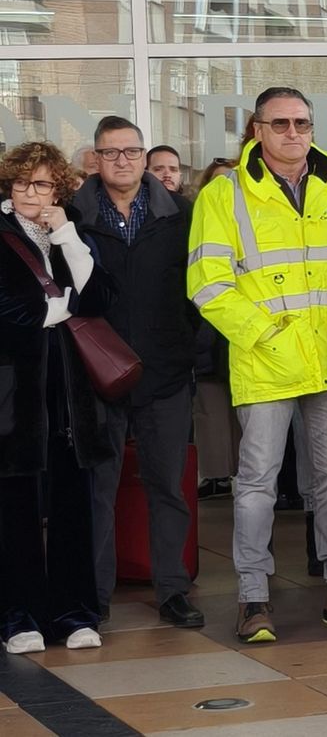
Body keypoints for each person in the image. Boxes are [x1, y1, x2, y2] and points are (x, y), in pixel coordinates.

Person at [188, 86, 327, 643]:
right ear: (257, 130)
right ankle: (253, 597)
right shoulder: (223, 194)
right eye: (279, 123)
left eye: (302, 122)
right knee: (254, 483)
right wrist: (267, 337)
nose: (293, 133)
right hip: (266, 361)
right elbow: (208, 285)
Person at [76, 117, 204, 628]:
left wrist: (190, 347)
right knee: (98, 488)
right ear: (96, 159)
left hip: (166, 373)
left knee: (167, 486)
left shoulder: (181, 214)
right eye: (111, 153)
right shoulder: (73, 216)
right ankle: (94, 595)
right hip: (96, 377)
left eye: (131, 151)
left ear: (145, 156)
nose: (122, 161)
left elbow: (201, 287)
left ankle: (173, 588)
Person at [0, 142, 117, 654]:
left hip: (69, 392)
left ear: (59, 190)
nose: (31, 193)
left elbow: (98, 297)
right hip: (13, 392)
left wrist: (67, 236)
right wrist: (55, 312)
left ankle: (74, 613)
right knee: (15, 504)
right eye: (23, 183)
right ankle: (17, 615)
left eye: (42, 184)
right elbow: (10, 310)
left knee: (73, 501)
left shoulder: (70, 234)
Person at [192, 158, 242, 500]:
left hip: (246, 334)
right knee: (211, 411)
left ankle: (232, 472)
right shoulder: (195, 221)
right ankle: (214, 475)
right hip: (207, 335)